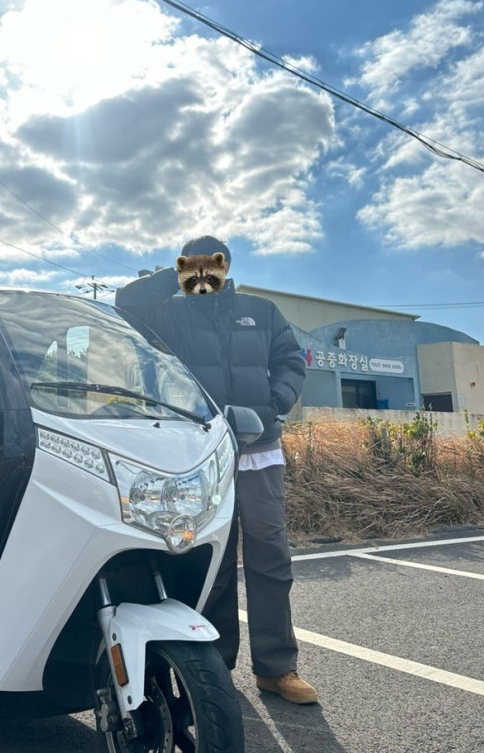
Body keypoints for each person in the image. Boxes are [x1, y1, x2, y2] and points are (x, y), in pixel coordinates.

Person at [115, 235, 318, 704]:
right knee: (210, 559)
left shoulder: (260, 311)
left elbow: (291, 361)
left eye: (212, 265)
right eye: (192, 266)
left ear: (227, 265)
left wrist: (274, 405)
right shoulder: (168, 313)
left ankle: (277, 668)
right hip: (197, 453)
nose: (203, 275)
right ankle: (216, 668)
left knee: (271, 557)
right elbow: (126, 303)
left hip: (258, 449)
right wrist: (174, 275)